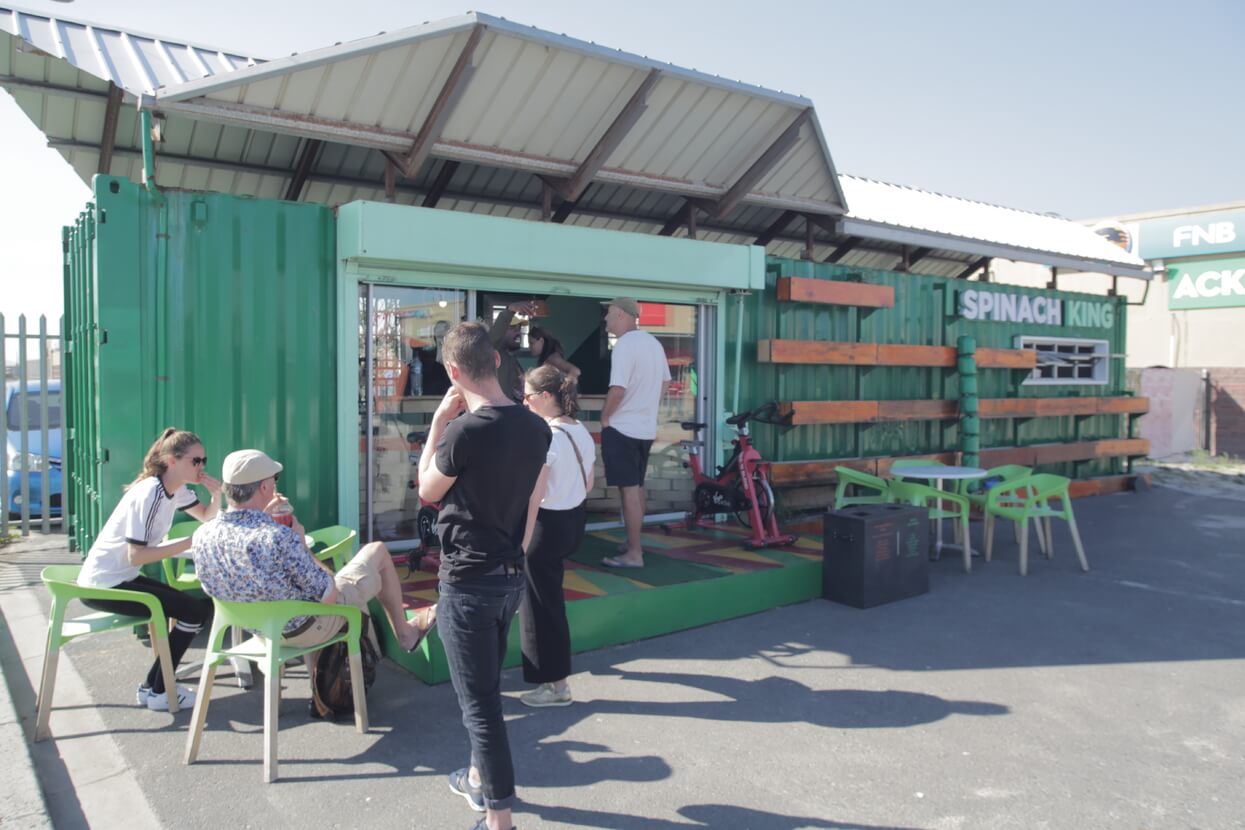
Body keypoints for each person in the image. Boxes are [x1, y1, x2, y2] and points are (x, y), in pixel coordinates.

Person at [418, 321, 550, 830]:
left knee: (482, 708)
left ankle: (500, 820)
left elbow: (428, 490)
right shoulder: (536, 426)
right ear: (496, 361)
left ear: (453, 372)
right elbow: (532, 498)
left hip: (468, 581)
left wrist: (435, 427)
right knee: (487, 691)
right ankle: (477, 777)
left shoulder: (463, 431)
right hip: (510, 576)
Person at [193, 449, 435, 655]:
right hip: (302, 629)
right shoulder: (278, 538)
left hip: (257, 629)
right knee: (378, 551)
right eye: (274, 478)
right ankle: (405, 634)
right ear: (265, 486)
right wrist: (299, 542)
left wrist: (266, 520)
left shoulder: (203, 535)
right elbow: (327, 595)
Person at [76, 428, 221, 711]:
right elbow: (136, 556)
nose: (201, 466)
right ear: (171, 460)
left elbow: (206, 517)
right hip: (103, 586)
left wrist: (216, 495)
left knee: (194, 610)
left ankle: (152, 688)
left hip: (120, 579)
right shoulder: (151, 493)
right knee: (194, 611)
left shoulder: (175, 489)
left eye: (204, 460)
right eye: (195, 461)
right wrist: (187, 543)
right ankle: (159, 691)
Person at [518, 365, 595, 708]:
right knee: (551, 604)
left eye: (528, 396)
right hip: (573, 522)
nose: (524, 402)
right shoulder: (580, 430)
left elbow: (535, 494)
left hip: (545, 528)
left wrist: (523, 537)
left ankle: (555, 685)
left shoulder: (546, 436)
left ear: (546, 397)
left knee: (539, 609)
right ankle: (557, 679)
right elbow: (589, 483)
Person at [598, 298, 670, 569]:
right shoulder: (653, 342)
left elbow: (618, 389)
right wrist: (647, 407)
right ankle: (634, 543)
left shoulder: (625, 346)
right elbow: (666, 381)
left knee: (628, 490)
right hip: (644, 428)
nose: (605, 320)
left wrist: (606, 418)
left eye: (608, 314)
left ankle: (634, 553)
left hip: (622, 428)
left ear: (619, 314)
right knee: (636, 487)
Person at [488, 300, 538, 403]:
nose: (518, 331)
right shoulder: (492, 353)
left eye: (519, 328)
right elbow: (493, 336)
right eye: (513, 328)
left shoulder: (511, 357)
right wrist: (510, 310)